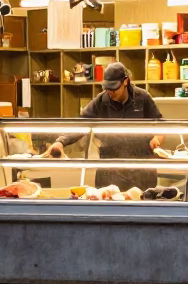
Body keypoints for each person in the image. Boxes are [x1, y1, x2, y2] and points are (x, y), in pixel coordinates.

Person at [44, 62, 164, 192]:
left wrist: (157, 137)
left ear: (126, 82)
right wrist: (60, 142)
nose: (110, 92)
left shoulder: (143, 97)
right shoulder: (101, 101)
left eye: (114, 88)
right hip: (110, 168)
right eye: (107, 88)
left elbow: (160, 123)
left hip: (141, 167)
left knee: (142, 207)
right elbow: (81, 123)